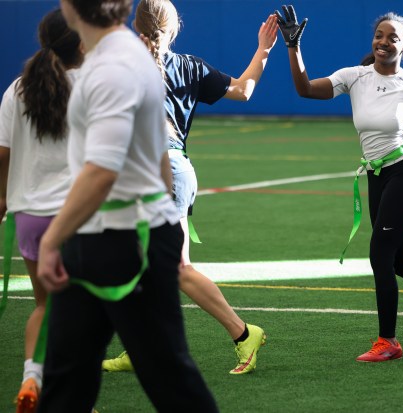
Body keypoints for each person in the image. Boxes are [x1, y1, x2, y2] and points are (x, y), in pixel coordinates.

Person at [36, 0, 218, 411]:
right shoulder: (127, 59)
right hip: (110, 237)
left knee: (169, 377)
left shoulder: (113, 67)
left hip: (123, 241)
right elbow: (155, 157)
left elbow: (102, 169)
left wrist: (52, 239)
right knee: (66, 377)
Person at [276, 5, 403, 362]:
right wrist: (293, 46)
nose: (384, 41)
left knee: (380, 254)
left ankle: (388, 341)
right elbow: (305, 89)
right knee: (400, 261)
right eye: (379, 35)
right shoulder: (355, 76)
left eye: (393, 38)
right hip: (376, 176)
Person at [101, 0, 277, 375]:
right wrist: (263, 49)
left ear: (136, 25)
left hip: (154, 170)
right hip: (168, 169)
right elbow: (244, 91)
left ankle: (244, 333)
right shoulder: (189, 66)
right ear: (174, 28)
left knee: (177, 267)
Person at [0, 8, 82, 412]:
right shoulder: (92, 86)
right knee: (82, 313)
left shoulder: (17, 90)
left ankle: (32, 378)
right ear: (81, 41)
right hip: (79, 218)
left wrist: (2, 198)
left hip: (29, 218)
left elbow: (3, 154)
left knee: (44, 306)